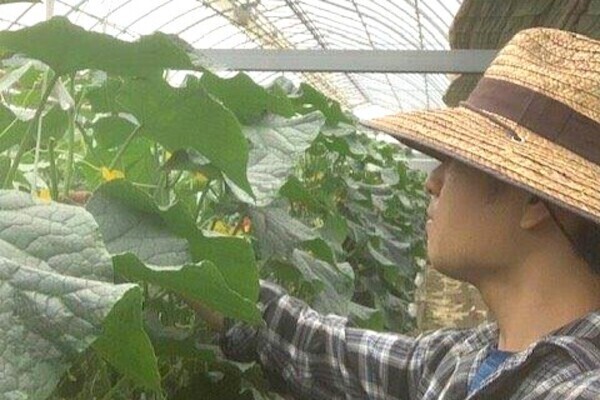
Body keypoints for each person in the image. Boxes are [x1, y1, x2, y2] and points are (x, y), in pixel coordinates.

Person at [194, 27, 600, 399]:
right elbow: (320, 349)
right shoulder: (460, 360)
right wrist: (185, 260)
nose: (432, 182)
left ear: (532, 201)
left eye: (455, 161)